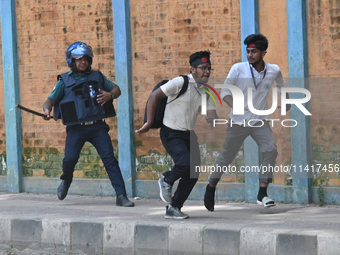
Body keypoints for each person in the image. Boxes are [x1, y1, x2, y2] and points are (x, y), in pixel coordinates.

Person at [204, 34, 290, 211]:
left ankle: (262, 194)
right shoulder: (238, 69)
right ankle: (210, 187)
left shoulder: (273, 70)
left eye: (254, 52)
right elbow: (225, 92)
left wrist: (287, 101)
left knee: (271, 150)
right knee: (226, 157)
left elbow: (282, 85)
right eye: (248, 51)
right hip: (238, 123)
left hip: (260, 121)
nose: (250, 55)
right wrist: (236, 105)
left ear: (263, 52)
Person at [42, 41, 134, 207]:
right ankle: (66, 180)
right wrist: (47, 111)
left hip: (97, 127)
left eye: (85, 58)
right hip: (76, 129)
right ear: (72, 61)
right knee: (70, 159)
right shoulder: (64, 81)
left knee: (109, 159)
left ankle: (121, 196)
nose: (82, 62)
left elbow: (117, 89)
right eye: (78, 59)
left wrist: (110, 96)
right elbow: (49, 101)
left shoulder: (98, 77)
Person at [136, 51, 218, 219]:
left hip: (188, 133)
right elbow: (154, 96)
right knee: (184, 163)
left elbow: (211, 113)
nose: (207, 72)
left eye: (209, 69)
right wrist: (149, 122)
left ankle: (174, 207)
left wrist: (212, 119)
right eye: (203, 68)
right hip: (171, 132)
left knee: (193, 172)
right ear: (193, 69)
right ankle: (166, 179)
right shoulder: (181, 82)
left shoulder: (207, 90)